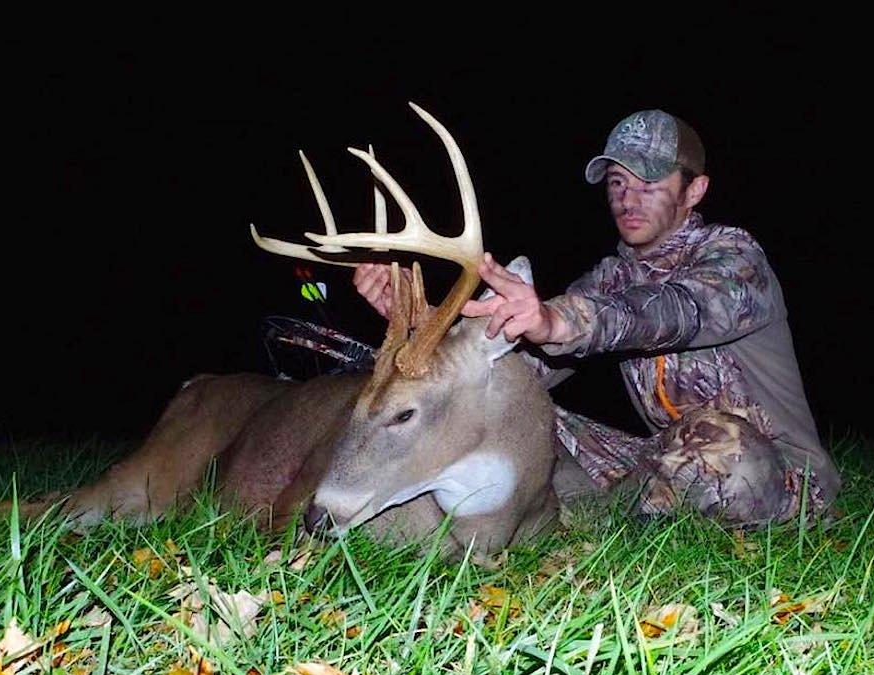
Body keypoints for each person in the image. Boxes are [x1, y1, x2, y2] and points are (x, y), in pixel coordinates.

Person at [354, 109, 841, 525]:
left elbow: (672, 310)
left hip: (779, 472)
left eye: (649, 183)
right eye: (617, 182)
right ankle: (624, 506)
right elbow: (514, 369)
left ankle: (631, 513)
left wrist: (561, 322)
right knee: (509, 407)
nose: (628, 200)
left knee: (722, 448)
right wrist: (418, 323)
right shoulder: (612, 276)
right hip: (665, 458)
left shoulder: (736, 258)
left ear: (695, 191)